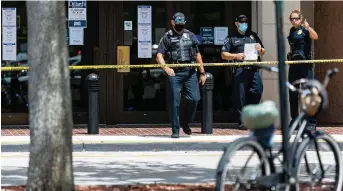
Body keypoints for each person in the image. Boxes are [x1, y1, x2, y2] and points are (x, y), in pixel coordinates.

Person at [156, 12, 207, 138]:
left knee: (194, 98)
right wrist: (166, 67)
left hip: (190, 71)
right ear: (172, 22)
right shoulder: (167, 36)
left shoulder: (190, 35)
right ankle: (175, 130)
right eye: (177, 23)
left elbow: (197, 55)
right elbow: (159, 55)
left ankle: (185, 122)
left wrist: (202, 72)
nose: (179, 25)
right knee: (175, 101)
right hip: (175, 72)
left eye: (181, 23)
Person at [221, 14, 265, 129]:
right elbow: (224, 55)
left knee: (257, 91)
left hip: (253, 69)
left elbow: (263, 51)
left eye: (246, 22)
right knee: (240, 97)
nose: (244, 24)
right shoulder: (231, 37)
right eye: (241, 22)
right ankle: (243, 122)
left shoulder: (253, 35)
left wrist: (260, 49)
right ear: (236, 23)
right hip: (240, 70)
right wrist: (236, 55)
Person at [287, 9, 318, 130]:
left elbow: (315, 37)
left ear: (300, 19)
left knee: (308, 94)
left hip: (305, 66)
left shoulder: (305, 29)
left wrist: (308, 27)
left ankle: (311, 123)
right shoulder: (291, 31)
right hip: (294, 65)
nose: (293, 21)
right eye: (291, 19)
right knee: (293, 94)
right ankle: (295, 121)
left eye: (295, 18)